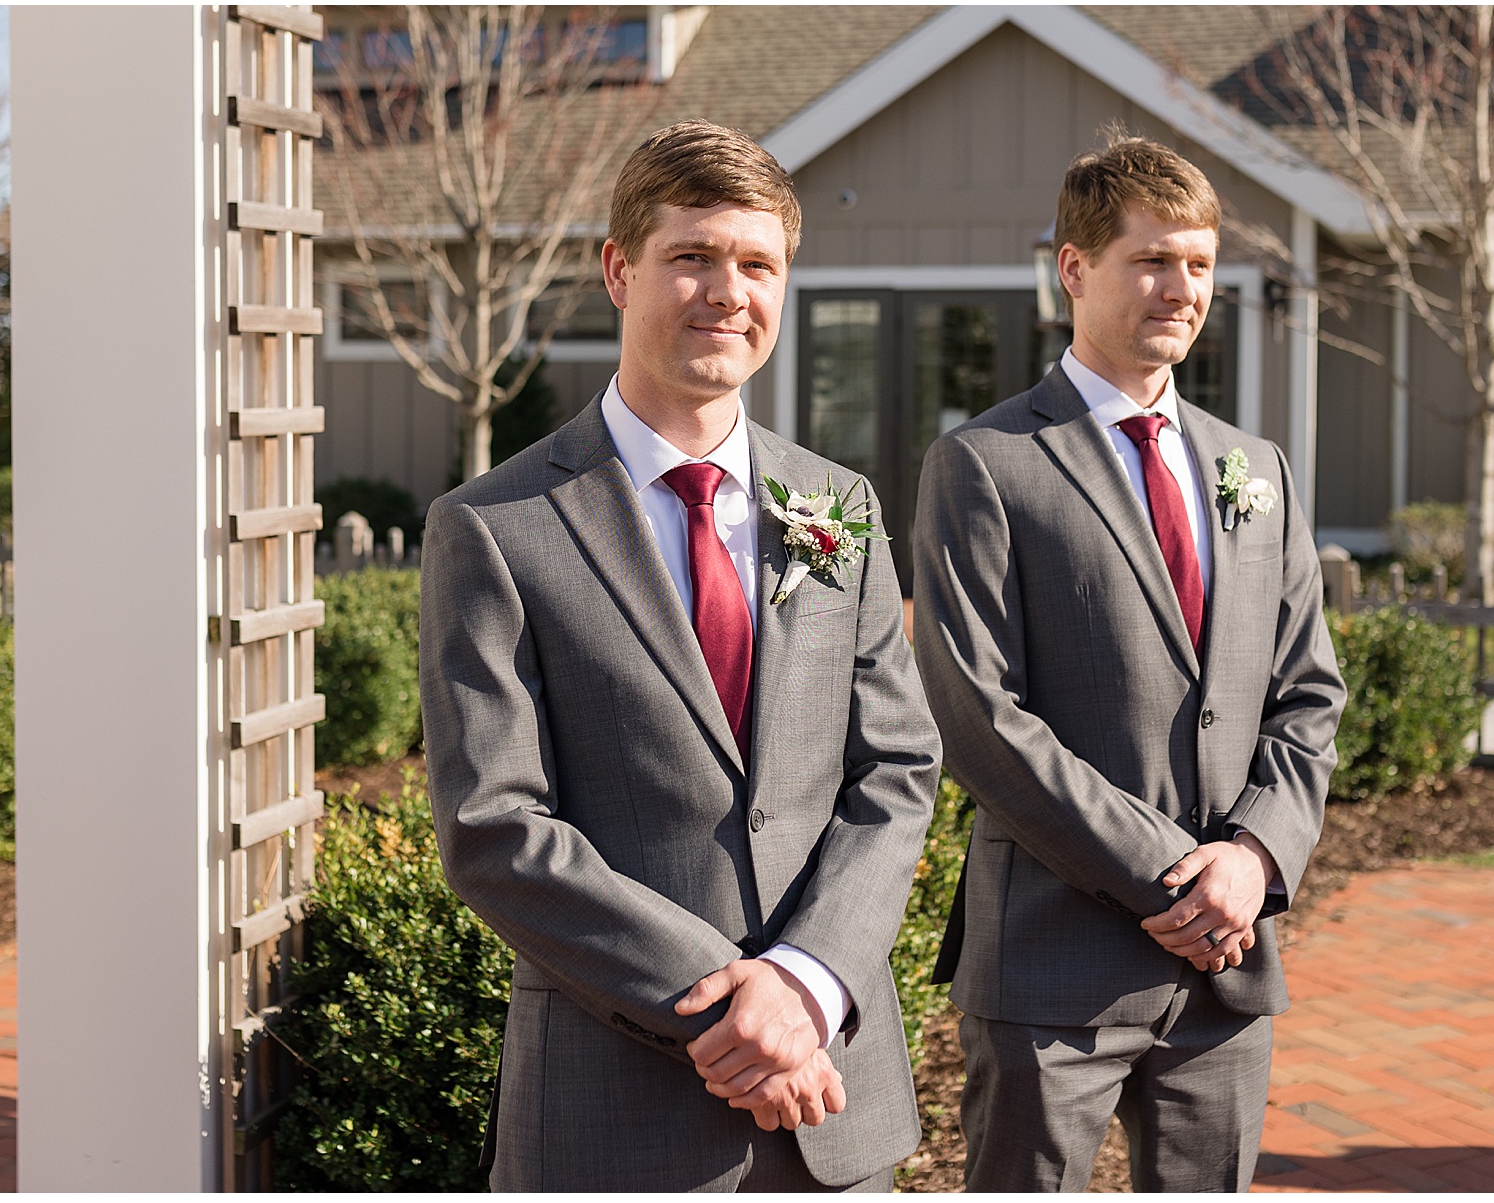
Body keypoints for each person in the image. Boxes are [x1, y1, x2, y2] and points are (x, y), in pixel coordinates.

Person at [419, 119, 940, 1193]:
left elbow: (896, 769)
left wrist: (803, 985)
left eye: (758, 265)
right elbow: (494, 826)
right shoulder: (497, 525)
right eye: (692, 256)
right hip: (614, 1109)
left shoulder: (837, 506)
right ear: (619, 270)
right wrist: (734, 1001)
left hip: (830, 1099)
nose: (726, 292)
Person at [911, 134, 1346, 1192]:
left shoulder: (1258, 469)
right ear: (1073, 268)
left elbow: (1307, 691)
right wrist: (1173, 875)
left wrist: (1251, 857)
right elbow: (978, 712)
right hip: (1054, 964)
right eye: (1152, 260)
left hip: (1228, 969)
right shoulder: (987, 464)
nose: (1180, 288)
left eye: (1197, 264)